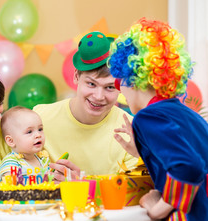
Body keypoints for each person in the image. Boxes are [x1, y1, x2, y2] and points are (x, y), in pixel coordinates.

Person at [108, 18, 208, 221]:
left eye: (118, 82)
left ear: (132, 78)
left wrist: (160, 206)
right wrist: (141, 150)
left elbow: (189, 167)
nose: (120, 91)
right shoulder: (185, 113)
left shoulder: (148, 116)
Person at [33, 31, 138, 182]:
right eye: (91, 84)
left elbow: (134, 191)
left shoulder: (131, 132)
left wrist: (85, 185)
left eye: (109, 87)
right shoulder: (39, 119)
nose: (98, 96)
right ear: (76, 76)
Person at [0, 106, 50, 182]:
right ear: (11, 141)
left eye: (40, 129)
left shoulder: (43, 159)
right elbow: (8, 183)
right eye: (29, 132)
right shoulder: (12, 161)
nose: (38, 135)